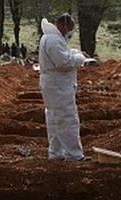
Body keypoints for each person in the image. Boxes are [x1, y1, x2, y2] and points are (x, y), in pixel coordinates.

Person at [38, 13, 90, 161]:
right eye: (70, 29)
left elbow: (64, 53)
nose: (70, 32)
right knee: (67, 118)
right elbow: (64, 62)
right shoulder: (53, 40)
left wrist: (77, 52)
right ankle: (74, 154)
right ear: (63, 25)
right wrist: (80, 59)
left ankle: (56, 153)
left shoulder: (50, 38)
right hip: (58, 85)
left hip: (53, 84)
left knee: (55, 119)